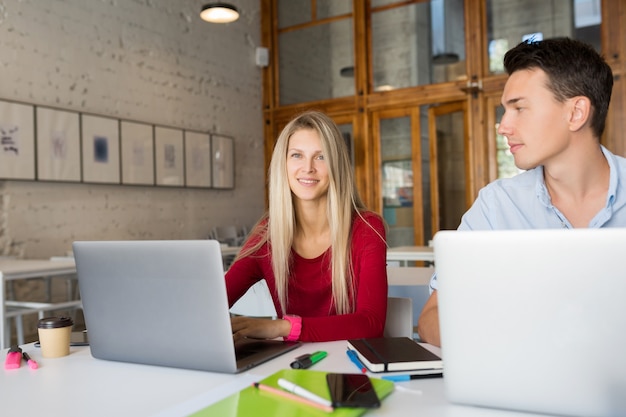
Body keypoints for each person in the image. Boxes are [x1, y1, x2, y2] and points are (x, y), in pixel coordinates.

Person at [417, 37, 626, 347]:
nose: (503, 126)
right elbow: (431, 319)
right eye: (505, 110)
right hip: (522, 386)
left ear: (576, 113)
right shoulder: (495, 206)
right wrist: (518, 335)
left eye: (519, 109)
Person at [225, 110, 388, 343]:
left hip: (350, 367)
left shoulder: (366, 228)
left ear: (337, 166)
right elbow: (215, 301)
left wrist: (280, 328)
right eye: (297, 155)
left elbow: (371, 324)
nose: (308, 168)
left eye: (321, 157)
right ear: (283, 163)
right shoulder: (268, 234)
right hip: (288, 367)